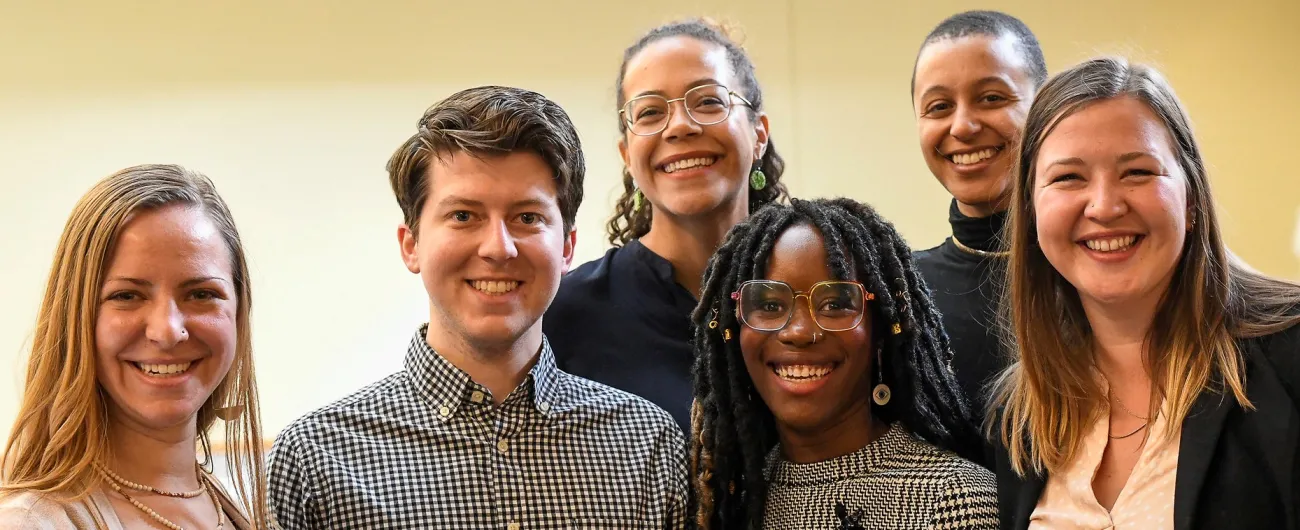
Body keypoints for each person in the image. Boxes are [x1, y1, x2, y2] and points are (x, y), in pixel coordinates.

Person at [266, 86, 687, 529]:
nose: (498, 248)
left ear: (566, 248)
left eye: (527, 217)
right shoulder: (313, 462)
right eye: (464, 216)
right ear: (411, 245)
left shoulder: (646, 446)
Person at [991, 57, 1300, 529]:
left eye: (1136, 171)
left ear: (1191, 199)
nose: (1105, 206)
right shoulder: (1018, 414)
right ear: (1031, 212)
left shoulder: (1290, 356)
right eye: (1068, 177)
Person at [689, 198, 997, 529]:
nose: (799, 331)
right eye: (768, 304)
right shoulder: (730, 496)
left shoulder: (954, 499)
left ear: (880, 330)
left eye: (835, 304)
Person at [544, 18, 788, 433]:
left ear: (758, 133)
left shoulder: (824, 294)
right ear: (627, 154)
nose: (679, 126)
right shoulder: (563, 317)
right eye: (651, 112)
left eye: (709, 101)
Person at [0, 164, 267, 529]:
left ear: (239, 312)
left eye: (201, 294)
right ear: (74, 318)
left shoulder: (226, 507)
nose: (168, 330)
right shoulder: (30, 522)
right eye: (126, 295)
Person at [910, 10, 1048, 424]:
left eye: (991, 98)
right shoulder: (902, 291)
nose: (963, 126)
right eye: (938, 107)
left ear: (1044, 105)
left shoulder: (1099, 266)